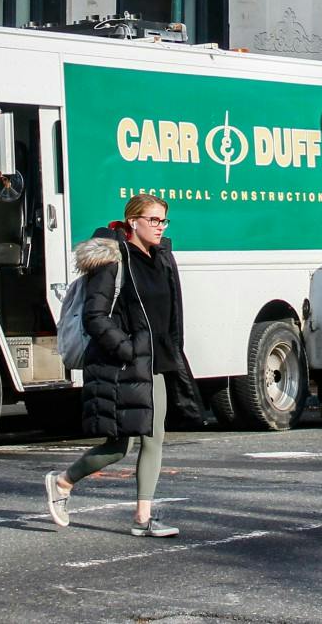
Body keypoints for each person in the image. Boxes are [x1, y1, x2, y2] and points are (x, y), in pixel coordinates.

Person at [45, 193, 199, 536]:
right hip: (122, 364)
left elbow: (171, 312)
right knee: (119, 446)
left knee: (154, 438)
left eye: (164, 221)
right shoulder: (113, 260)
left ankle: (143, 518)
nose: (160, 227)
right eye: (154, 220)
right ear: (133, 222)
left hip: (156, 363)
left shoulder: (162, 259)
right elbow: (94, 316)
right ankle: (63, 482)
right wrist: (126, 349)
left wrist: (172, 351)